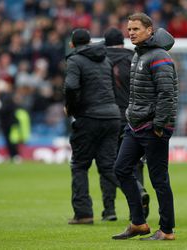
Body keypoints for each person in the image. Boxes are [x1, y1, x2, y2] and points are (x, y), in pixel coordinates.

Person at [112, 13, 178, 240]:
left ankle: (167, 230)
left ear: (150, 30)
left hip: (153, 127)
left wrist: (159, 125)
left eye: (136, 29)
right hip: (136, 124)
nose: (131, 33)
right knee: (120, 168)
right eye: (129, 29)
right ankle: (138, 223)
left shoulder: (159, 56)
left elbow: (166, 94)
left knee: (159, 179)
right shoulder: (138, 55)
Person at [63, 28, 121, 224]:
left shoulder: (74, 60)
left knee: (80, 165)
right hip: (112, 116)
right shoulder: (105, 59)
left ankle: (83, 213)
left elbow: (71, 86)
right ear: (89, 42)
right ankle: (138, 191)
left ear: (72, 44)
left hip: (89, 117)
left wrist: (70, 107)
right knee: (109, 166)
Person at [103, 27, 150, 220]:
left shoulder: (100, 60)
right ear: (122, 42)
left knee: (108, 163)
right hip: (133, 117)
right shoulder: (135, 58)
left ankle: (109, 210)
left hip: (108, 118)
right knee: (136, 163)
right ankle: (139, 211)